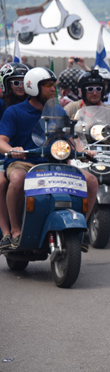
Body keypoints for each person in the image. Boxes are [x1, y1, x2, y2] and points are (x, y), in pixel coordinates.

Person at [0, 68, 97, 249]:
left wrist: (84, 152)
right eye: (47, 86)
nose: (53, 90)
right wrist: (13, 150)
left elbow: (70, 139)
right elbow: (1, 140)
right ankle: (14, 230)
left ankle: (80, 229)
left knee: (91, 181)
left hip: (53, 163)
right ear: (33, 88)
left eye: (53, 85)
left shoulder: (58, 112)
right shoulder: (14, 112)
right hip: (24, 162)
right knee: (18, 178)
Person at [0, 63, 29, 246]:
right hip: (4, 155)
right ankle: (5, 231)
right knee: (1, 182)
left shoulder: (35, 104)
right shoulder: (2, 105)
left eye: (23, 82)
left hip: (25, 156)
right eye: (15, 83)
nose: (20, 87)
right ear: (6, 84)